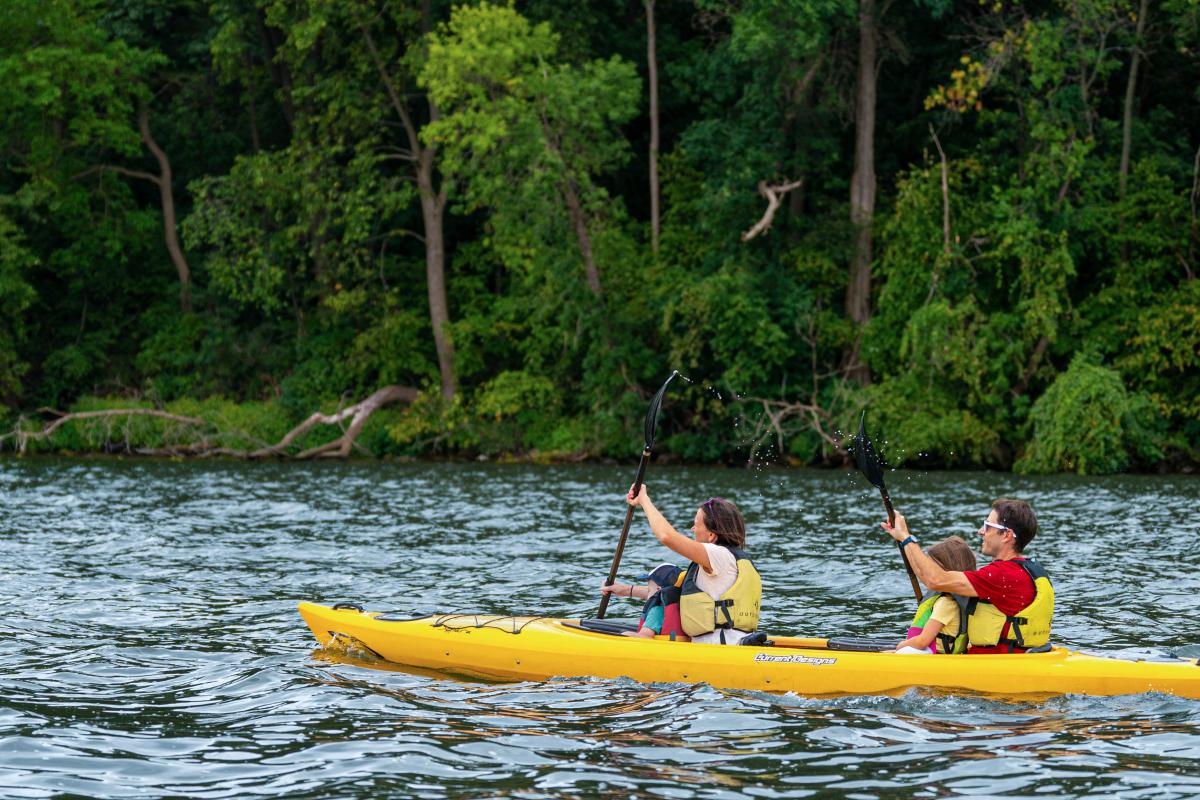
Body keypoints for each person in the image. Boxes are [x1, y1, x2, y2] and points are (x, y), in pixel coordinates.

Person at [882, 498, 1054, 654]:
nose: (981, 531)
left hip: (997, 667)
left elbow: (935, 580)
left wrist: (906, 537)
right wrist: (902, 538)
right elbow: (930, 579)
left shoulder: (1001, 576)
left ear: (1007, 535)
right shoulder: (1020, 570)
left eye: (988, 526)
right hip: (1016, 657)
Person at [621, 487, 762, 645]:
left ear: (711, 536)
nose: (692, 529)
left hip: (720, 650)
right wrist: (624, 590)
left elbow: (666, 536)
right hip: (731, 643)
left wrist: (644, 500)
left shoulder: (719, 555)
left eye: (696, 525)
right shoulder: (730, 558)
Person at [895, 536, 976, 654]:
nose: (928, 572)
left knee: (902, 650)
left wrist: (900, 645)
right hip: (939, 651)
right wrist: (904, 540)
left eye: (932, 567)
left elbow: (923, 641)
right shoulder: (958, 597)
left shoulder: (946, 603)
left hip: (937, 655)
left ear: (947, 571)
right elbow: (918, 569)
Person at [600, 563, 689, 640]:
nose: (647, 594)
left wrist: (627, 635)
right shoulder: (683, 606)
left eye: (649, 590)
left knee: (626, 634)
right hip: (679, 644)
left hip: (663, 649)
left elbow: (645, 637)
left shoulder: (656, 611)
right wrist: (623, 590)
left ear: (658, 590)